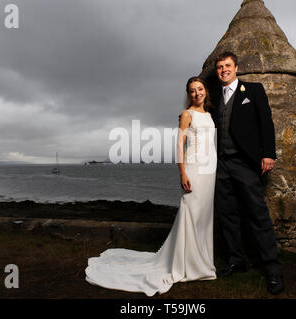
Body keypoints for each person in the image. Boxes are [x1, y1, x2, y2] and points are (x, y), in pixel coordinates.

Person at [85, 76, 217, 297]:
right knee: (191, 214)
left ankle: (202, 260)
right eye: (193, 91)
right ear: (189, 94)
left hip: (210, 171)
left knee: (204, 217)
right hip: (194, 169)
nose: (197, 93)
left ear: (206, 91)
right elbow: (179, 145)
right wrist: (182, 172)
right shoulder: (187, 115)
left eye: (200, 89)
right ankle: (189, 264)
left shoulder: (210, 116)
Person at [210, 51, 284, 295]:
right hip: (221, 165)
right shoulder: (213, 96)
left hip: (246, 163)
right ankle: (236, 260)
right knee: (228, 215)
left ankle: (273, 270)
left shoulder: (253, 90)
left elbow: (266, 123)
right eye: (220, 67)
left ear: (236, 67)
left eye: (227, 66)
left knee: (258, 215)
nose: (223, 70)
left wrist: (268, 154)